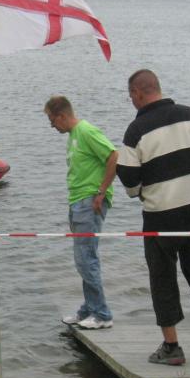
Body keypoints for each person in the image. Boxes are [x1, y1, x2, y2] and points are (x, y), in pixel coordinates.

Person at [115, 69, 190, 365]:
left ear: (138, 93)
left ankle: (172, 346)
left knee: (162, 278)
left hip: (160, 215)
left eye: (130, 96)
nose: (131, 101)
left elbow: (128, 176)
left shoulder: (136, 130)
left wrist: (139, 192)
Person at [45, 95, 118, 330]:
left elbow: (113, 156)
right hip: (77, 201)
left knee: (86, 258)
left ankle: (102, 314)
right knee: (81, 259)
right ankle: (89, 307)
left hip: (89, 201)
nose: (52, 126)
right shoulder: (73, 136)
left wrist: (101, 191)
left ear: (62, 116)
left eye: (52, 120)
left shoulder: (86, 131)